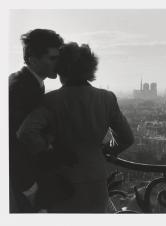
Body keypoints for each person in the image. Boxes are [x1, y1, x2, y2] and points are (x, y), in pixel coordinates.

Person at [17, 42, 134, 213]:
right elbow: (126, 138)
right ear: (90, 68)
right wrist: (104, 150)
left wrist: (48, 154)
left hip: (62, 181)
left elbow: (27, 132)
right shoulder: (106, 98)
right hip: (97, 179)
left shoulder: (51, 100)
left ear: (61, 69)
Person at [9, 29, 64, 213]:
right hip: (22, 182)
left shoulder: (22, 82)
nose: (58, 64)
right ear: (32, 59)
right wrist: (29, 187)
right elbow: (14, 141)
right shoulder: (22, 89)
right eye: (52, 58)